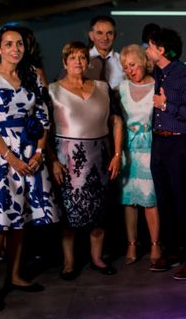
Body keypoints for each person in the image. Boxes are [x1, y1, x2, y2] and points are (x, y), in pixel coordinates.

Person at [0, 25, 59, 312]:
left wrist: (40, 152)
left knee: (21, 221)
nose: (15, 49)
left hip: (30, 153)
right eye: (9, 44)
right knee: (0, 224)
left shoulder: (32, 78)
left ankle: (15, 275)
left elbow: (44, 117)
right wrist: (10, 157)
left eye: (19, 44)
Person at [47, 41, 123, 280]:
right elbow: (43, 130)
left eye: (82, 57)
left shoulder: (102, 87)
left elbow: (117, 121)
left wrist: (117, 155)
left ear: (87, 62)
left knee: (99, 212)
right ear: (64, 62)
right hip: (67, 158)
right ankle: (69, 262)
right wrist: (52, 161)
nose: (78, 62)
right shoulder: (51, 90)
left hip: (100, 155)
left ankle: (97, 258)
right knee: (68, 212)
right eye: (72, 58)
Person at [146, 27, 186, 279]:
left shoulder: (185, 74)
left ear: (160, 49)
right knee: (165, 202)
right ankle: (172, 252)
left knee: (184, 202)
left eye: (149, 46)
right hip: (159, 144)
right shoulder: (158, 73)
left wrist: (167, 105)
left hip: (180, 145)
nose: (146, 50)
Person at [117, 45, 161, 268]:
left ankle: (155, 244)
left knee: (150, 199)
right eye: (125, 67)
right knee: (129, 200)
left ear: (144, 61)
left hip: (150, 148)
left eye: (133, 65)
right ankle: (131, 243)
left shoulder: (157, 85)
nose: (129, 70)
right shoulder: (121, 88)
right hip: (128, 150)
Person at [84, 15, 125, 89]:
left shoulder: (122, 61)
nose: (105, 38)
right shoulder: (82, 60)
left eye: (109, 33)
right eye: (100, 33)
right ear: (91, 36)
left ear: (115, 35)